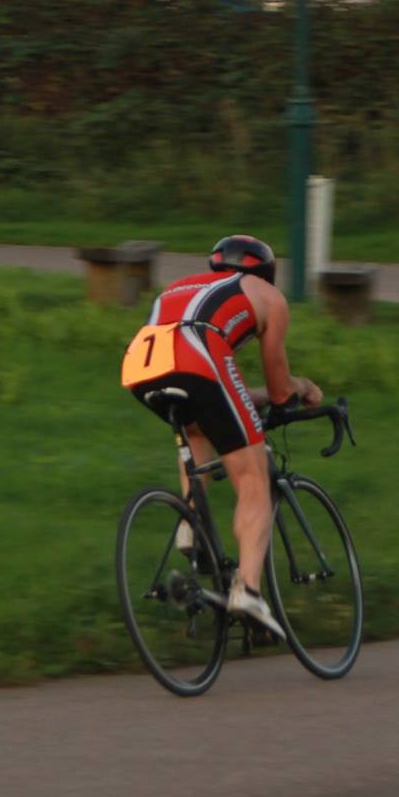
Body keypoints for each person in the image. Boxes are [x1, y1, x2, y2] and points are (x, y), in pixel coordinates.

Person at [132, 235, 323, 638]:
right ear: (267, 274)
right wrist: (303, 386)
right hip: (200, 358)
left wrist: (246, 398)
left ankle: (192, 522)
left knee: (199, 428)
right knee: (253, 478)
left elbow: (222, 387)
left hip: (141, 365)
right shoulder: (268, 297)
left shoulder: (182, 286)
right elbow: (279, 392)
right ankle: (249, 591)